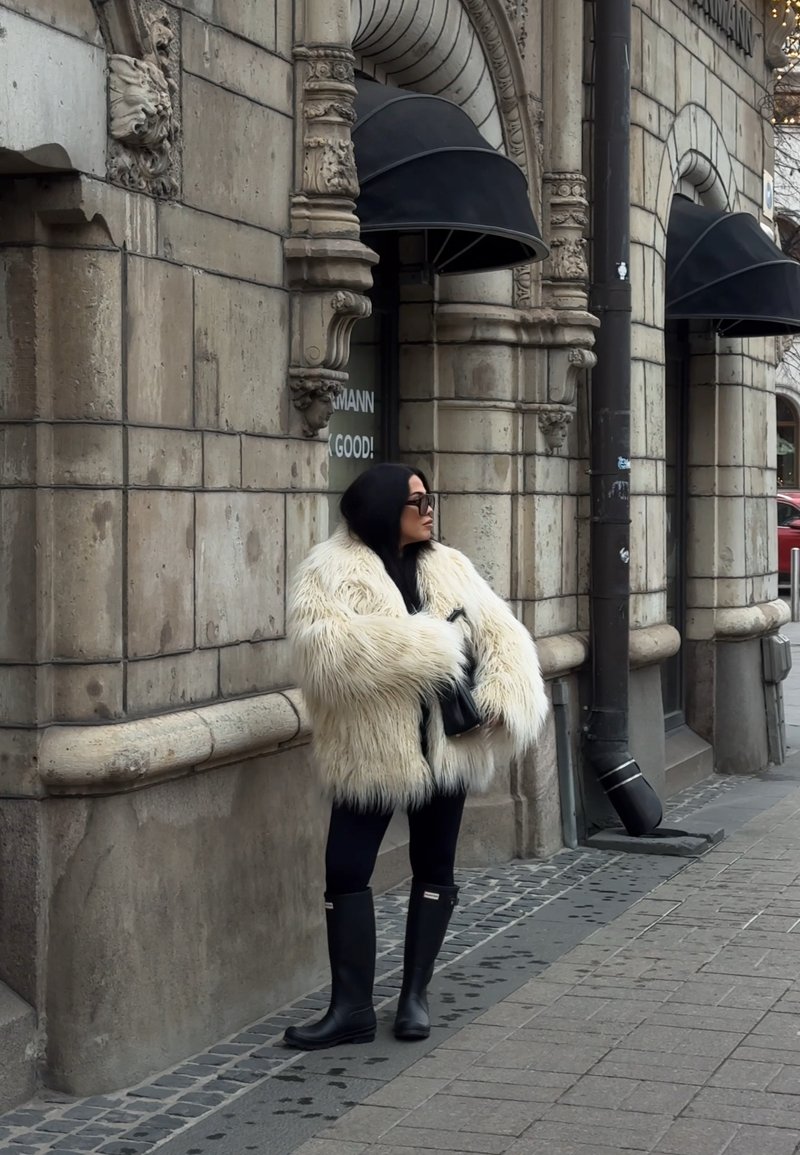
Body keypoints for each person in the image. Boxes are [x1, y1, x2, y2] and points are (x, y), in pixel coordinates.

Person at [283, 463, 548, 1050]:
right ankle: (350, 1007)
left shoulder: (449, 565)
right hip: (369, 750)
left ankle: (414, 997)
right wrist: (431, 644)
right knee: (346, 869)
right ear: (381, 508)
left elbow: (502, 635)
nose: (429, 510)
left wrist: (507, 693)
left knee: (435, 867)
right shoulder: (327, 569)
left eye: (431, 499)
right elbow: (325, 654)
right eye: (417, 501)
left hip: (444, 748)